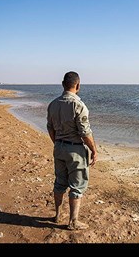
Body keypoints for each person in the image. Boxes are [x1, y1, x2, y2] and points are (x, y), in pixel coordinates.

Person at [47, 71, 98, 231]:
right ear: (78, 86)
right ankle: (73, 221)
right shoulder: (78, 105)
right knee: (77, 185)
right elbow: (85, 132)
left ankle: (57, 215)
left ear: (63, 84)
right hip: (75, 149)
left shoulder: (53, 104)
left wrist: (57, 142)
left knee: (60, 182)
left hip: (59, 147)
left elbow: (50, 127)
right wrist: (94, 150)